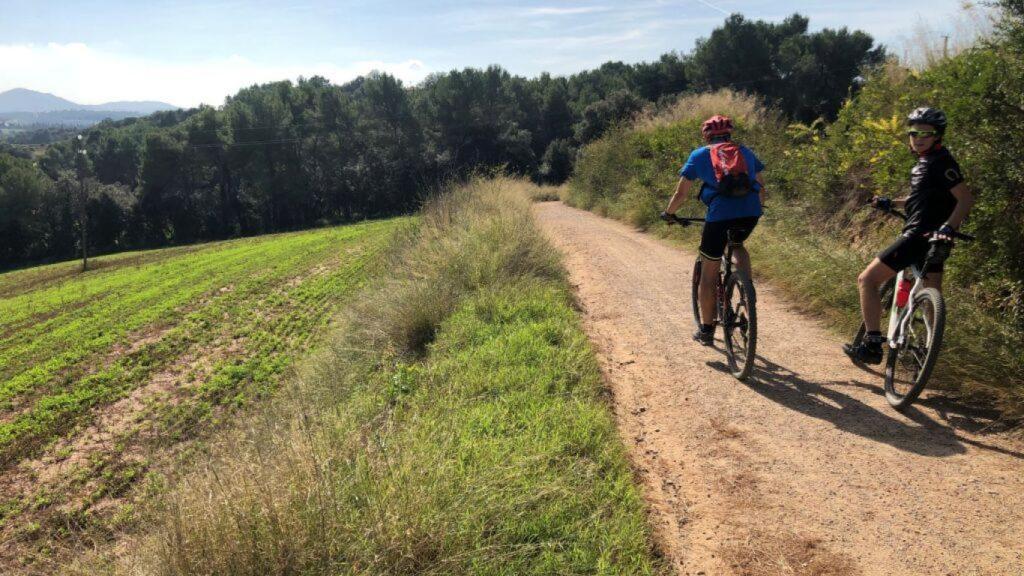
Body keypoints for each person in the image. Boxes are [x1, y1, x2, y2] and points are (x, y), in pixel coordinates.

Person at [843, 107, 975, 364]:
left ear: (938, 136)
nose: (919, 137)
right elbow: (922, 200)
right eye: (914, 132)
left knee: (867, 280)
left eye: (927, 133)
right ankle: (924, 354)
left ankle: (871, 345)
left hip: (919, 235)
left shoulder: (940, 162)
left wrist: (950, 226)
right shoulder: (927, 163)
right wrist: (890, 202)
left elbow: (965, 199)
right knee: (930, 295)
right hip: (936, 239)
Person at [661, 115, 767, 345]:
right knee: (737, 244)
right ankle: (747, 290)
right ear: (729, 134)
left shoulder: (699, 155)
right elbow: (761, 187)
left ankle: (707, 330)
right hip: (750, 212)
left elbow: (681, 194)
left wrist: (669, 213)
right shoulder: (745, 152)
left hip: (719, 216)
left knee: (708, 275)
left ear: (707, 135)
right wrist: (757, 207)